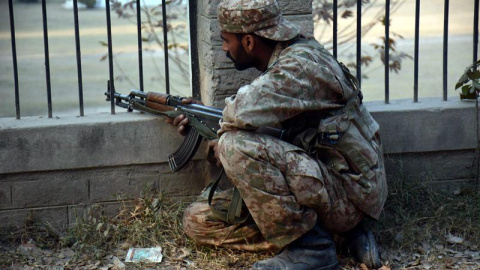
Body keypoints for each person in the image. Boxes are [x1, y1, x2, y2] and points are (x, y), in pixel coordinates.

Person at [171, 0, 388, 269]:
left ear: (249, 42)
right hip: (324, 182)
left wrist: (212, 126)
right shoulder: (292, 55)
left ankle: (312, 250)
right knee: (198, 220)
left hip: (347, 195)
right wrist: (204, 121)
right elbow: (272, 126)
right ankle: (332, 236)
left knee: (232, 145)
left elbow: (238, 112)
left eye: (226, 40)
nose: (224, 49)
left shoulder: (297, 69)